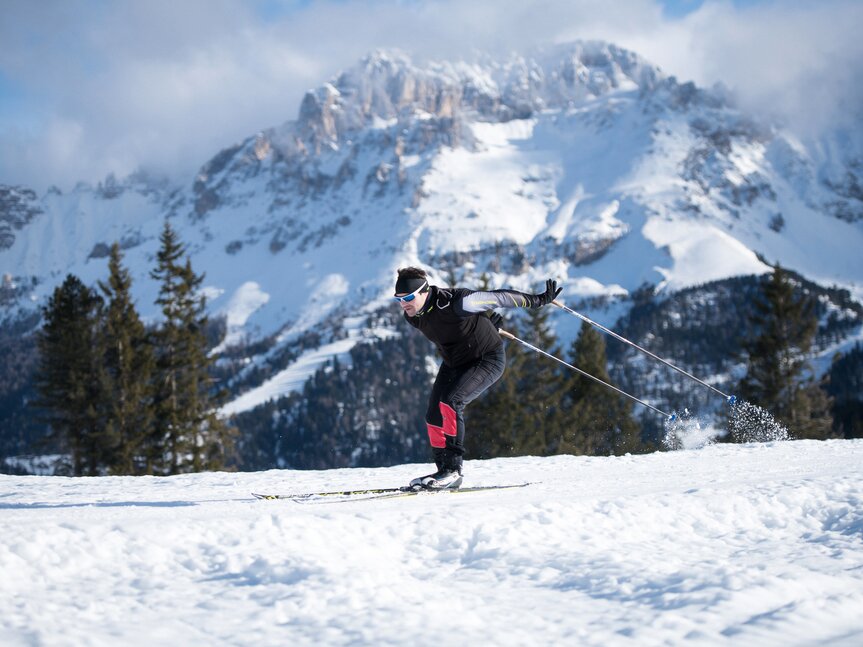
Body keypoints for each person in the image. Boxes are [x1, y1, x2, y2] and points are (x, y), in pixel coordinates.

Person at [394, 266, 562, 490]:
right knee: (433, 414)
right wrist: (482, 326)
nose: (403, 303)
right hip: (455, 362)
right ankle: (444, 470)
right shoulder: (412, 315)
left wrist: (538, 300)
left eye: (408, 297)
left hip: (486, 359)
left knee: (451, 402)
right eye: (399, 299)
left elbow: (499, 297)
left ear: (424, 291)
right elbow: (450, 331)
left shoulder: (456, 302)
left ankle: (454, 470)